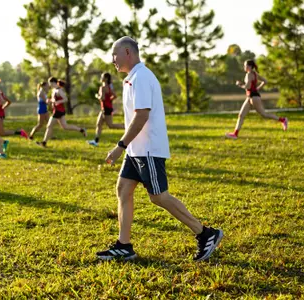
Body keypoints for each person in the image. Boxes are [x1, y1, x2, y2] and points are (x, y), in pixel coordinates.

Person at [96, 37, 223, 261]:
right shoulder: (131, 79)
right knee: (123, 189)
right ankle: (124, 246)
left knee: (158, 196)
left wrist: (120, 146)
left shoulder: (142, 77)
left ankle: (205, 234)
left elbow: (142, 116)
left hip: (148, 150)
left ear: (127, 52)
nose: (112, 60)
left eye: (114, 54)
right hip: (136, 151)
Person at [225, 60, 288, 139]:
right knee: (241, 115)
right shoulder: (255, 74)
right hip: (250, 97)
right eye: (244, 66)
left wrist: (239, 84)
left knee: (264, 115)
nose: (244, 67)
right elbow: (265, 81)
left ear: (250, 67)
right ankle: (235, 134)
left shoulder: (248, 75)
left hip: (254, 97)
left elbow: (247, 87)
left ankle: (283, 120)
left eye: (246, 66)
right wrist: (257, 88)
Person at [36, 77, 86, 148]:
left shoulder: (59, 90)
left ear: (53, 82)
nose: (49, 85)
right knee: (65, 126)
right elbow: (54, 99)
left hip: (58, 111)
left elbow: (65, 99)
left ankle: (44, 142)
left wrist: (57, 102)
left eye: (50, 83)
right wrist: (50, 100)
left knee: (49, 126)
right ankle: (81, 130)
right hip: (58, 110)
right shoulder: (54, 90)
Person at [0, 79, 28, 153]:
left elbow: (5, 102)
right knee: (1, 133)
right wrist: (2, 108)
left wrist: (1, 108)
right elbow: (8, 102)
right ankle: (19, 133)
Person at [88, 72, 124, 146]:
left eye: (102, 77)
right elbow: (115, 95)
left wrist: (97, 96)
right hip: (105, 108)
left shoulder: (102, 88)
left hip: (106, 108)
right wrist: (109, 100)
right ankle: (96, 141)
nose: (101, 78)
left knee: (110, 125)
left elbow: (102, 98)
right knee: (99, 124)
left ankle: (126, 127)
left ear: (106, 78)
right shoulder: (110, 87)